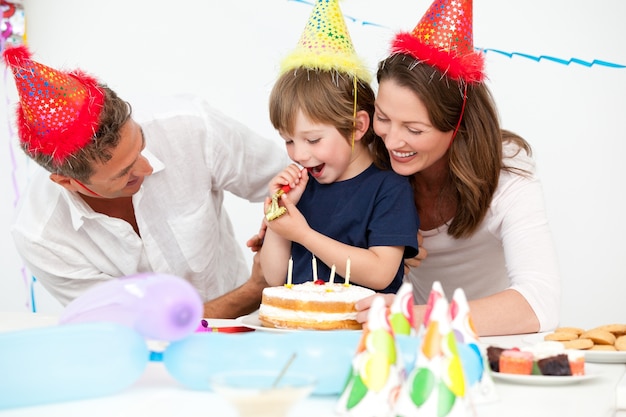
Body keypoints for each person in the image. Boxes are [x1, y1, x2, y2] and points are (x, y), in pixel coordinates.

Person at [3, 45, 290, 318]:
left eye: (141, 145)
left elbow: (297, 181)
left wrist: (278, 228)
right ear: (68, 182)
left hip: (246, 333)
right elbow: (138, 324)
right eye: (123, 173)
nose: (148, 167)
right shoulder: (40, 236)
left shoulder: (191, 128)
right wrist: (256, 287)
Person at [355, 0, 560, 335]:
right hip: (418, 350)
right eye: (383, 118)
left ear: (459, 126)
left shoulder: (507, 174)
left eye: (414, 130)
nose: (391, 141)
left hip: (496, 346)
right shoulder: (372, 163)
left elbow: (539, 303)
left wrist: (415, 316)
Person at [259, 0, 419, 293]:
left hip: (362, 332)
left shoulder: (389, 188)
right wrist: (279, 214)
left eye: (313, 139)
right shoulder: (302, 188)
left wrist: (304, 235)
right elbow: (273, 276)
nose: (299, 154)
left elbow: (382, 272)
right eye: (289, 140)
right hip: (301, 326)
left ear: (358, 126)